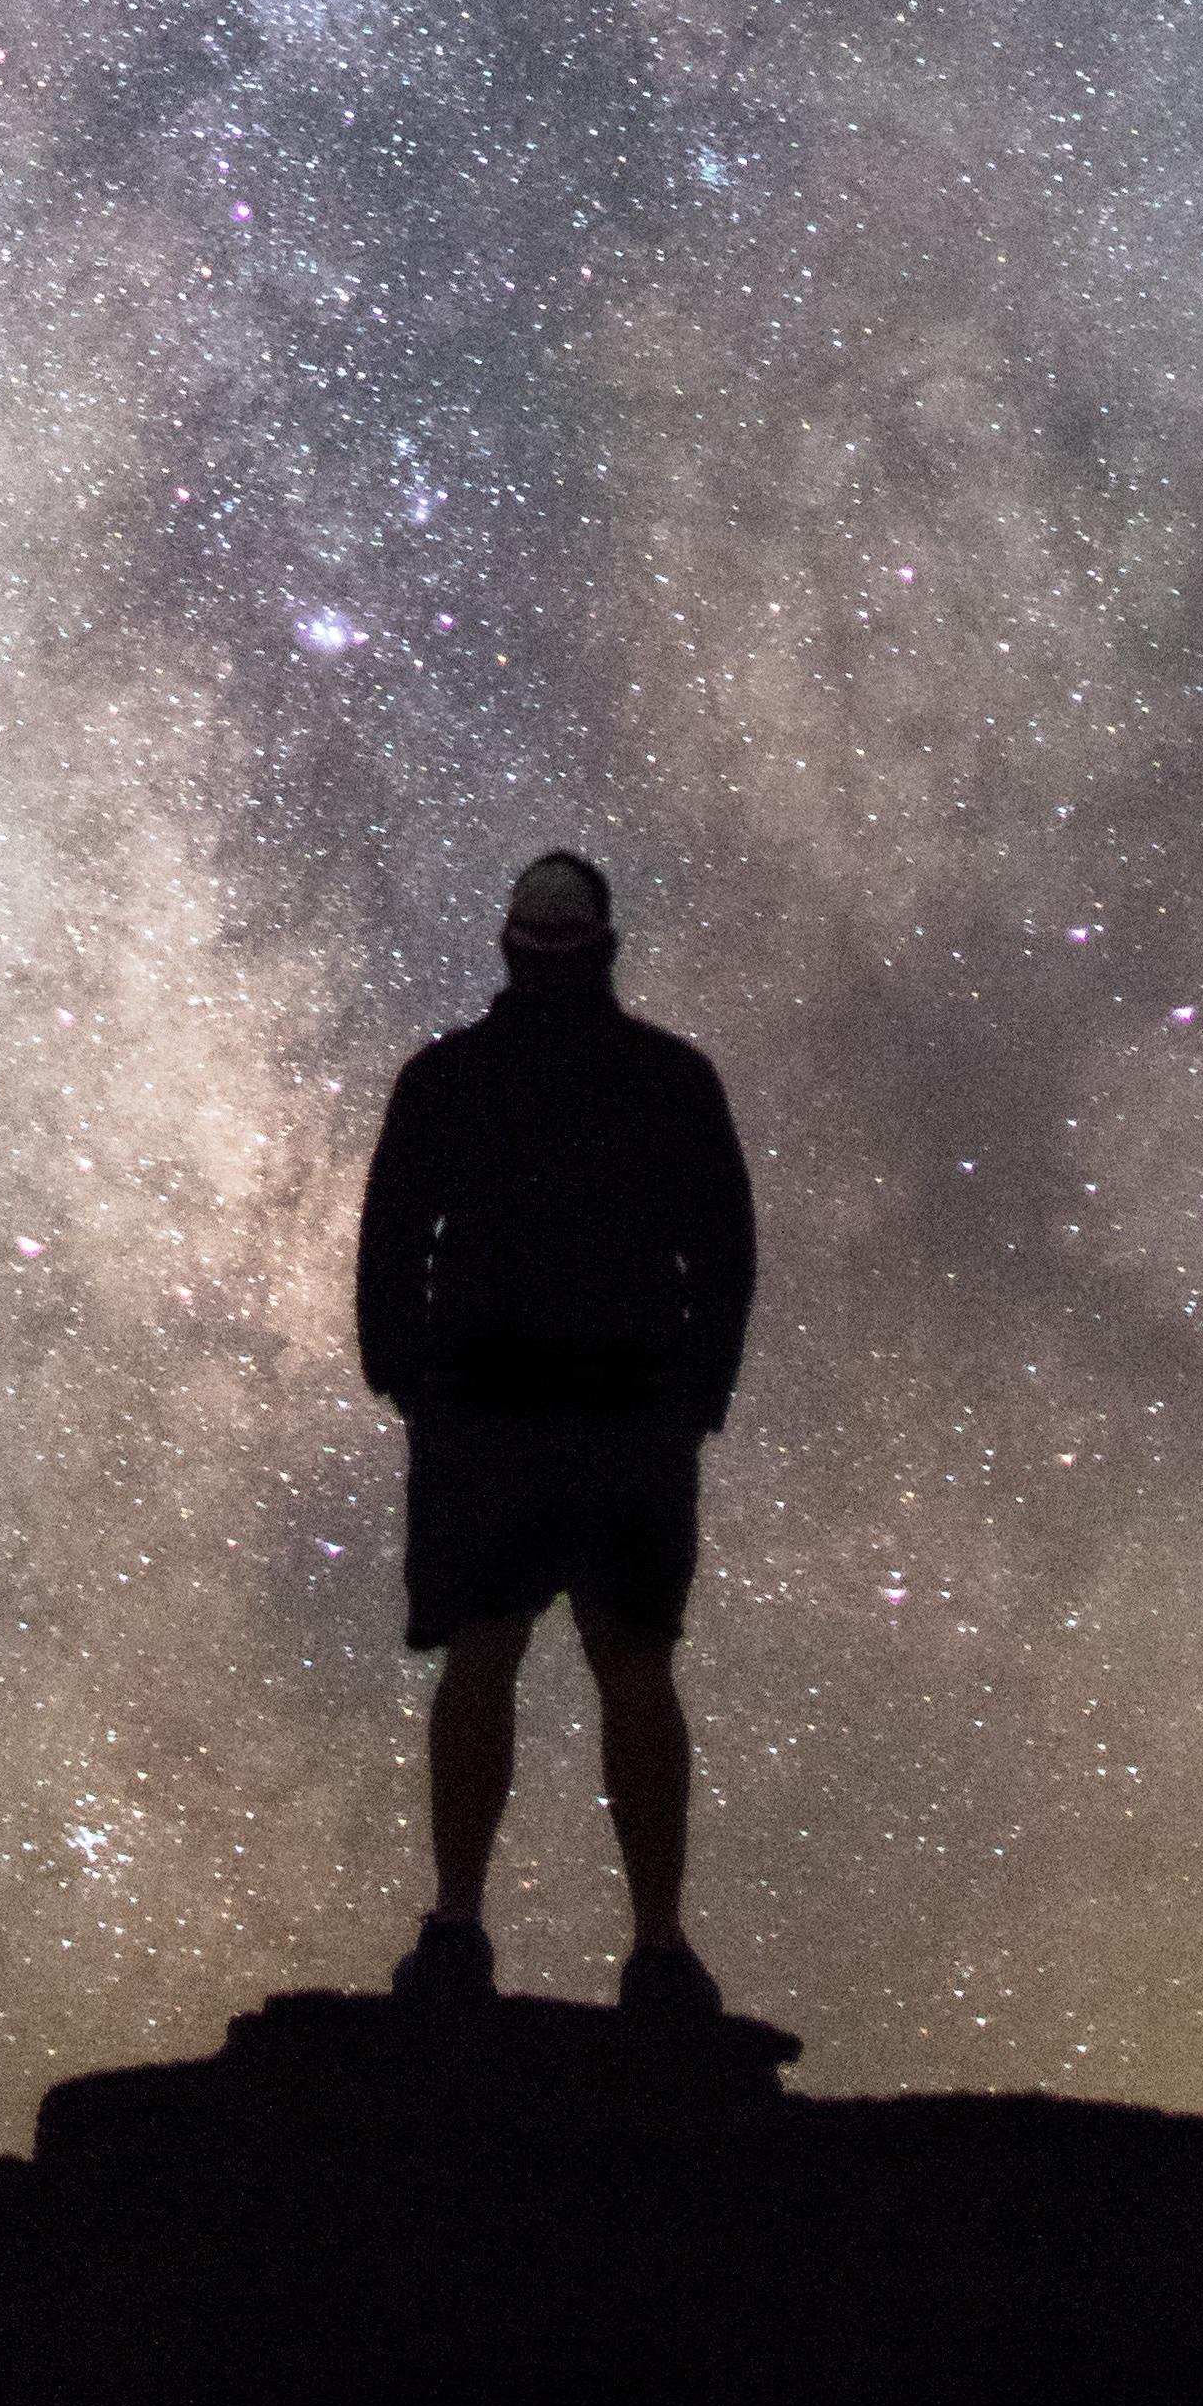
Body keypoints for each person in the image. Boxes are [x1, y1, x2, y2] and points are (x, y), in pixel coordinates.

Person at [356, 852, 755, 2020]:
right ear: (607, 945)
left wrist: (406, 1372)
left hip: (484, 1411)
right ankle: (660, 1948)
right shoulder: (668, 1079)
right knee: (631, 1659)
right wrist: (695, 1388)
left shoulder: (445, 1079)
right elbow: (722, 1251)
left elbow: (389, 1242)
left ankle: (455, 1923)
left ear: (508, 948)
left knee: (483, 1654)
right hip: (625, 1414)